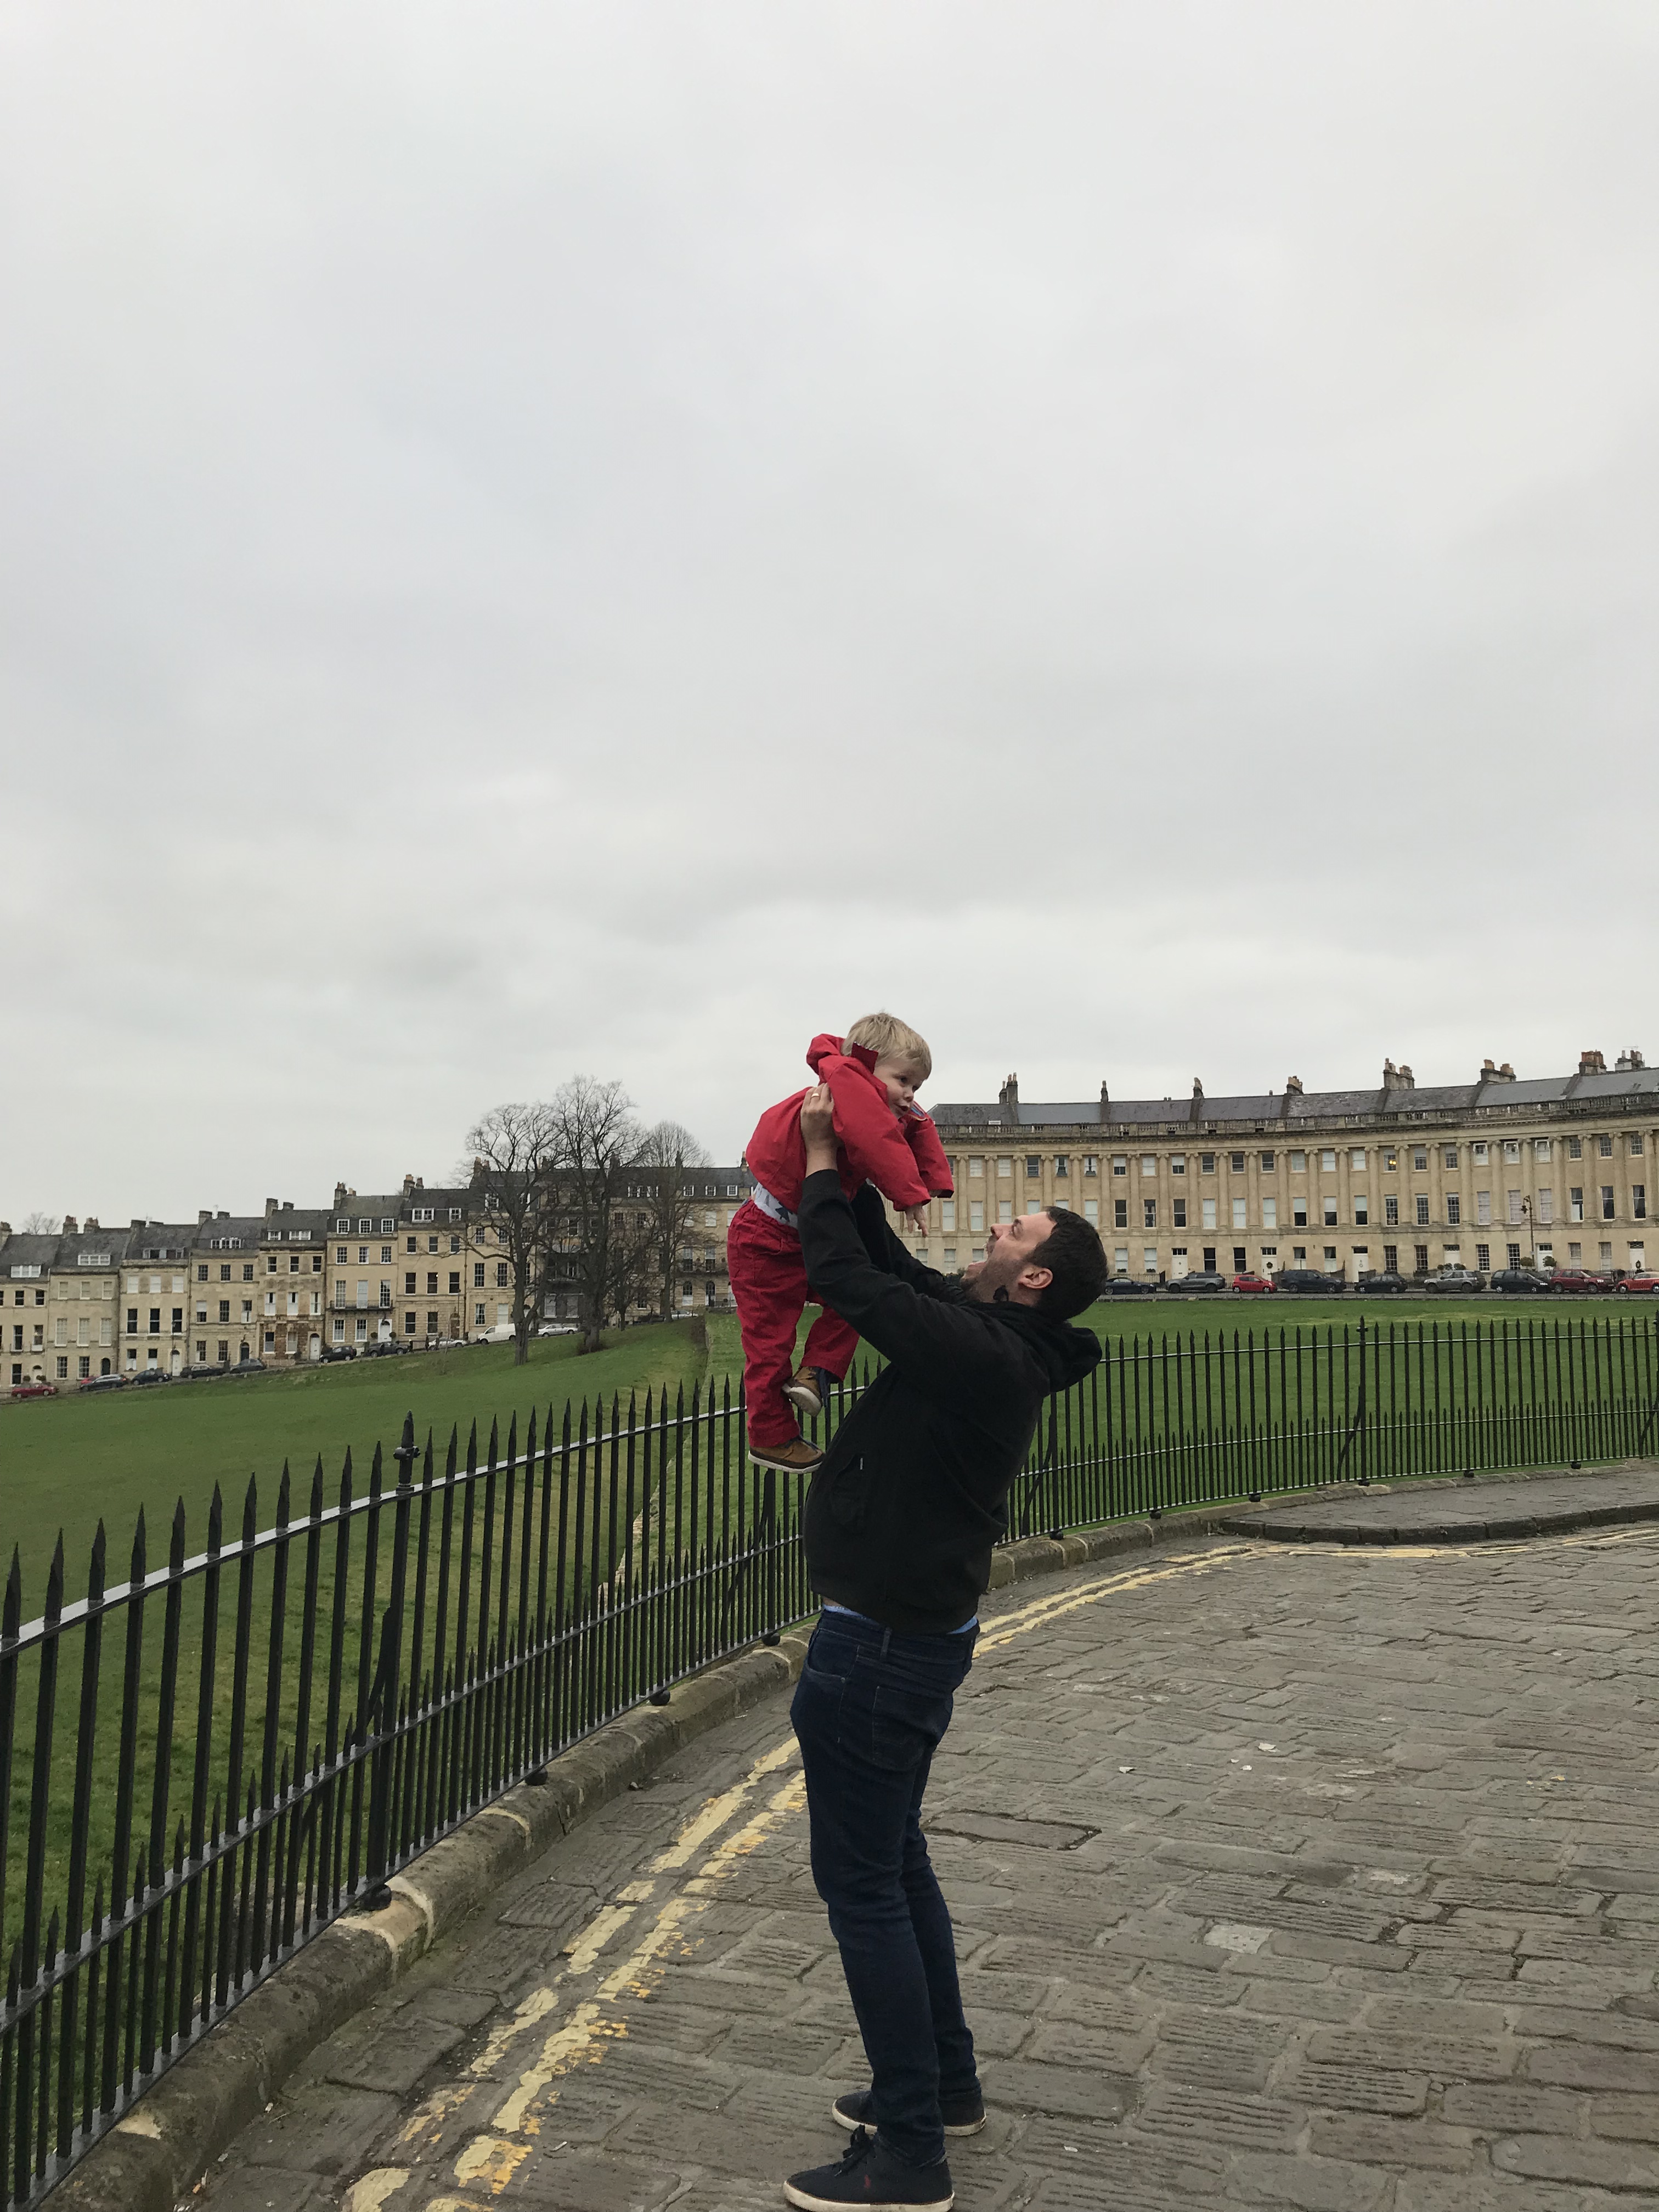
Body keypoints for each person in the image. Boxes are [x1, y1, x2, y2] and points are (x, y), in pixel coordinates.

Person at [782, 1081, 1109, 2212]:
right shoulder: (991, 1335)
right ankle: (943, 2084)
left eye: (1012, 1232)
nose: (991, 1230)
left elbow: (846, 1280)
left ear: (1034, 1278)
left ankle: (910, 2154)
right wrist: (857, 1171)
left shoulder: (985, 1355)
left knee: (862, 1886)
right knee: (896, 1863)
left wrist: (816, 1158)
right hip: (908, 1637)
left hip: (877, 1647)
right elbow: (888, 1265)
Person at [729, 1015, 953, 1475]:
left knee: (859, 1294)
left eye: (917, 1084)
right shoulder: (847, 1089)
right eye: (903, 1080)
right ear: (866, 1065)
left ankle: (816, 1372)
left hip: (806, 1235)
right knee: (769, 1344)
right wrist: (909, 1195)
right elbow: (877, 1141)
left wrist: (932, 1179)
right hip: (766, 1240)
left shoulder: (875, 1097)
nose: (911, 1094)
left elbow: (918, 1125)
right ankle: (770, 1437)